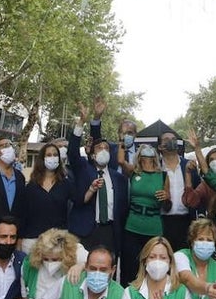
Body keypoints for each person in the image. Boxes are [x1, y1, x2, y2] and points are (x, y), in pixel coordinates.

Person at [68, 100, 128, 254]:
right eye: (99, 148)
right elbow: (73, 152)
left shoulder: (119, 178)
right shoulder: (83, 169)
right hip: (85, 231)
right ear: (92, 154)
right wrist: (82, 122)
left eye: (106, 148)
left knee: (107, 271)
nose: (103, 150)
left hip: (109, 232)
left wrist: (98, 117)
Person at [120, 144, 168, 286]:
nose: (147, 150)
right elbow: (121, 161)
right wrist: (123, 141)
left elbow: (167, 205)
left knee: (153, 267)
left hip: (153, 227)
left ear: (155, 155)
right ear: (139, 155)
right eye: (143, 149)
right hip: (133, 225)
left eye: (150, 149)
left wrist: (166, 198)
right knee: (129, 267)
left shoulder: (163, 175)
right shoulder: (134, 172)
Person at [25, 228, 87, 299]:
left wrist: (81, 266)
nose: (50, 263)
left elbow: (95, 262)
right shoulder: (29, 266)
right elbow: (25, 294)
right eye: (46, 259)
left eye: (55, 259)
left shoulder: (76, 252)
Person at [21, 143, 74, 253]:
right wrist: (19, 241)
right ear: (42, 159)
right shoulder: (31, 186)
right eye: (49, 155)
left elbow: (80, 200)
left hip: (58, 241)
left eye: (55, 155)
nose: (52, 157)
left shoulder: (66, 184)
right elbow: (23, 214)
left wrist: (92, 189)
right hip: (33, 241)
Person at [158, 130, 196, 253]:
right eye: (167, 140)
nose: (171, 142)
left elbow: (197, 192)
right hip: (162, 221)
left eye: (173, 139)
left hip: (185, 221)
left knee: (183, 259)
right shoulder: (155, 166)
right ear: (160, 146)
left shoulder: (188, 165)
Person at [182, 145, 216, 213]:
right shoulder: (206, 185)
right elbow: (190, 201)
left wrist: (197, 149)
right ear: (208, 164)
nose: (215, 162)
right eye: (211, 160)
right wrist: (188, 173)